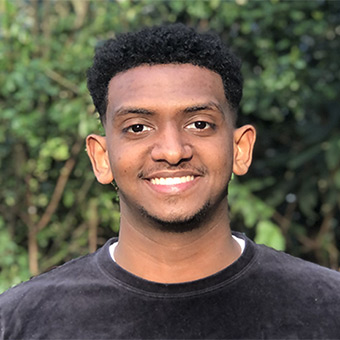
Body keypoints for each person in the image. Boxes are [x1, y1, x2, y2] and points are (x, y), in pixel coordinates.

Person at [1, 24, 340, 340]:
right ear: (101, 158)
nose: (173, 151)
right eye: (137, 128)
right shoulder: (20, 322)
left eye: (199, 124)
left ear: (240, 149)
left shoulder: (328, 309)